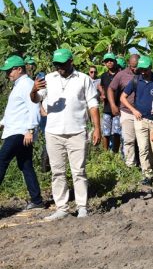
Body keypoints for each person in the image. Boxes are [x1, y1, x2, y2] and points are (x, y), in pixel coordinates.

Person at [30, 48, 101, 220]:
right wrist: (33, 90)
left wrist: (97, 127)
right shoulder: (48, 79)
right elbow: (36, 98)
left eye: (62, 64)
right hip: (53, 132)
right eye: (56, 65)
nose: (59, 68)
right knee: (57, 172)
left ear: (71, 62)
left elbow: (93, 104)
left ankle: (82, 207)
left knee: (79, 171)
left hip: (76, 131)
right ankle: (61, 207)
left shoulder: (83, 79)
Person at [0, 55, 43, 210]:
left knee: (1, 161)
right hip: (18, 131)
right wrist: (2, 123)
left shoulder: (26, 85)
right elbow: (15, 111)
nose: (7, 74)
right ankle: (37, 200)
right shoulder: (19, 85)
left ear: (19, 69)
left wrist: (30, 130)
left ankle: (37, 200)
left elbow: (34, 108)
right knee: (25, 165)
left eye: (10, 71)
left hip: (20, 132)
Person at [120, 55, 153, 186]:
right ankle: (147, 174)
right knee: (143, 147)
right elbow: (123, 97)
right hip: (140, 120)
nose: (143, 72)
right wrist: (133, 110)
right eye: (141, 69)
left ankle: (150, 167)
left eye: (146, 69)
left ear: (151, 68)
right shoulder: (135, 80)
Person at [108, 53, 140, 167]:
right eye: (133, 67)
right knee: (128, 140)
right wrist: (112, 104)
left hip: (142, 113)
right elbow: (111, 89)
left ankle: (143, 165)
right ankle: (130, 165)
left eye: (137, 66)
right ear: (129, 65)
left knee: (142, 141)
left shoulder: (145, 72)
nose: (135, 69)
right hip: (126, 111)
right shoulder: (121, 75)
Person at [99, 53, 122, 153]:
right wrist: (102, 94)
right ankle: (105, 153)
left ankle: (115, 152)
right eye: (107, 61)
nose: (109, 62)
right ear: (104, 63)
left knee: (116, 132)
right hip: (107, 108)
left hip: (119, 108)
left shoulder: (121, 75)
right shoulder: (104, 76)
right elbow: (101, 86)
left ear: (115, 62)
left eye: (111, 60)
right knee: (106, 132)